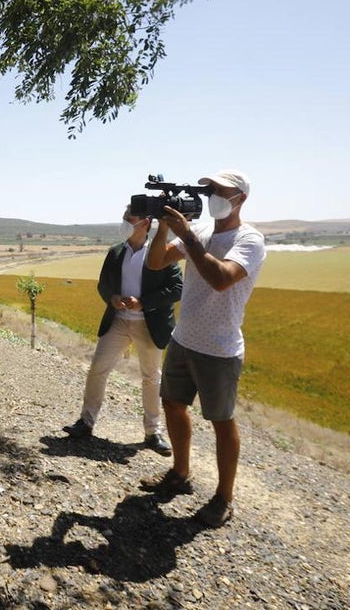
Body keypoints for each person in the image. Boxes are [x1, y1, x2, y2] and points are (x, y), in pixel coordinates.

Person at [139, 170, 266, 528]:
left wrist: (187, 236)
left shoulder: (250, 239)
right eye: (210, 191)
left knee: (222, 421)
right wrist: (162, 226)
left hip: (220, 348)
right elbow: (156, 262)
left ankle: (224, 498)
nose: (213, 198)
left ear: (240, 198)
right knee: (173, 405)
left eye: (221, 191)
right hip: (184, 339)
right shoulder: (203, 231)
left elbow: (221, 278)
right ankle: (180, 473)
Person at [62, 207, 183, 455]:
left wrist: (143, 303)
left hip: (149, 324)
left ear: (146, 223)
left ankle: (153, 432)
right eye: (124, 218)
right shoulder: (116, 252)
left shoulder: (161, 251)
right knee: (98, 368)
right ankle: (86, 422)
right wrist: (112, 298)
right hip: (118, 320)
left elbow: (176, 288)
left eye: (130, 219)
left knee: (151, 377)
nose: (125, 222)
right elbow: (103, 285)